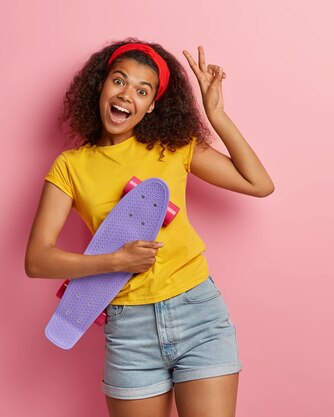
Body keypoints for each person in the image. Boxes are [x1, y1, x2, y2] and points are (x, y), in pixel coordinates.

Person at [25, 38, 274, 417]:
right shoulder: (70, 166)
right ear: (101, 86)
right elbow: (37, 260)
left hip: (198, 314)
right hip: (129, 329)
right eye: (119, 81)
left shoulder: (171, 147)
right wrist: (114, 262)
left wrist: (217, 114)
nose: (128, 95)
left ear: (152, 106)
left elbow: (259, 184)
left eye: (143, 90)